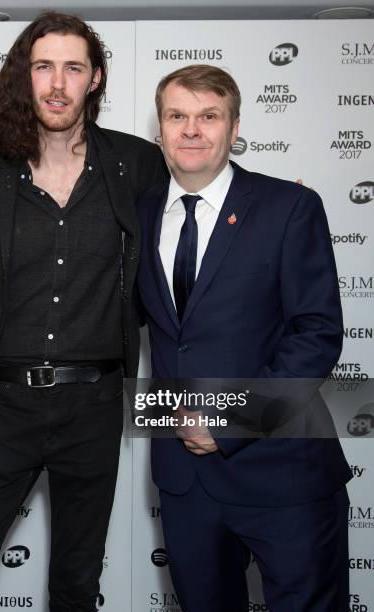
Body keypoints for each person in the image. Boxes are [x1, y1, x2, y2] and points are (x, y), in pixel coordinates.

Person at [0, 12, 166, 612]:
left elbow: (192, 224)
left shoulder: (136, 164)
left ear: (95, 79)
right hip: (2, 411)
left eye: (73, 67)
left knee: (75, 585)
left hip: (93, 407)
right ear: (24, 75)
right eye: (43, 67)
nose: (57, 83)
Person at [135, 64, 352, 612]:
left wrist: (231, 421)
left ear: (234, 130)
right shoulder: (134, 217)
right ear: (159, 129)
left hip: (284, 473)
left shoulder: (289, 208)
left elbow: (317, 334)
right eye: (177, 116)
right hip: (185, 482)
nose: (191, 129)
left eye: (209, 116)